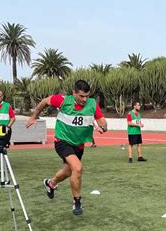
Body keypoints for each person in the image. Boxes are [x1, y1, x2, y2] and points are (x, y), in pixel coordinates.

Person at [26, 80, 107, 216]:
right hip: (62, 141)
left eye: (87, 96)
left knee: (69, 171)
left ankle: (51, 183)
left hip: (79, 144)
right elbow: (45, 101)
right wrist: (34, 116)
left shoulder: (92, 104)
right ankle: (77, 202)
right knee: (78, 168)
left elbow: (102, 121)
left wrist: (103, 127)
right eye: (81, 96)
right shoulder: (63, 100)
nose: (84, 99)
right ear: (74, 93)